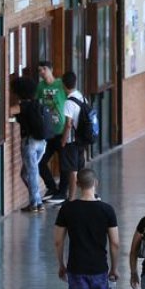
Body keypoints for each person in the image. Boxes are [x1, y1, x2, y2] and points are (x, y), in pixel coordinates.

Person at [12, 75, 47, 213]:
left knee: (31, 173)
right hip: (42, 143)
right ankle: (37, 200)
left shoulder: (24, 106)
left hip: (30, 143)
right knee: (26, 174)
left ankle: (35, 204)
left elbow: (7, 111)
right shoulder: (37, 104)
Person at [34, 61, 67, 204]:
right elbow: (36, 103)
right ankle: (52, 188)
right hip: (48, 132)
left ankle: (62, 192)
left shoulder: (60, 84)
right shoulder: (40, 87)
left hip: (62, 130)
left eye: (44, 69)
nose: (42, 72)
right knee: (40, 161)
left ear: (51, 69)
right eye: (39, 70)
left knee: (64, 164)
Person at [56, 71, 87, 202]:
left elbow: (68, 124)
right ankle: (87, 194)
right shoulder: (81, 96)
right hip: (82, 138)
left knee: (72, 170)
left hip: (72, 140)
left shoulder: (69, 102)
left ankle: (71, 198)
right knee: (81, 168)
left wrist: (64, 140)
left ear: (63, 85)